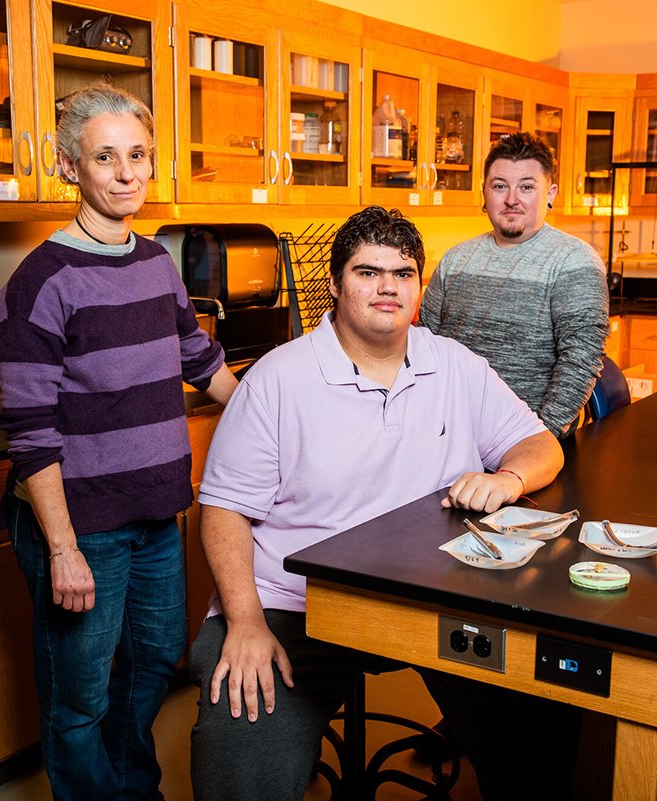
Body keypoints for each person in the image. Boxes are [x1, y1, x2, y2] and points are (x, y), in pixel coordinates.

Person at [188, 206, 566, 801]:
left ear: (419, 287)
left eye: (403, 273)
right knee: (241, 758)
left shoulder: (455, 365)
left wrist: (510, 479)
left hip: (432, 603)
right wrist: (244, 621)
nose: (388, 286)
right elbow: (224, 510)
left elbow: (540, 444)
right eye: (367, 272)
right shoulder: (275, 381)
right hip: (295, 610)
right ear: (335, 286)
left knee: (539, 726)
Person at [0, 82, 237, 801]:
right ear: (70, 166)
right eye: (106, 156)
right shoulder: (40, 283)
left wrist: (285, 407)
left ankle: (133, 790)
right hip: (82, 526)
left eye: (139, 155)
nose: (127, 173)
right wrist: (62, 548)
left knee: (157, 663)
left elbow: (201, 360)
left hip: (157, 515)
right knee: (81, 695)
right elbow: (31, 436)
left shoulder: (156, 261)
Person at [420, 131, 610, 438]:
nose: (511, 199)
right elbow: (424, 346)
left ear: (551, 193)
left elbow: (579, 361)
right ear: (484, 191)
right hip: (448, 435)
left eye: (526, 187)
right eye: (500, 186)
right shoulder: (455, 260)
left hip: (526, 443)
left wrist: (538, 441)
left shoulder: (574, 261)